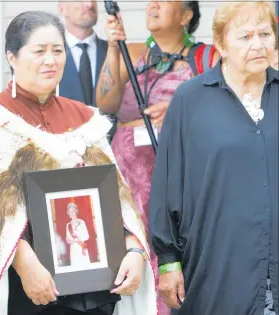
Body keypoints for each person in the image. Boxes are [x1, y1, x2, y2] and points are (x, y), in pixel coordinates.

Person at [0, 10, 156, 315]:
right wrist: (26, 264)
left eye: (58, 51)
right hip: (28, 290)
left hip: (95, 288)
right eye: (39, 51)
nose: (51, 60)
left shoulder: (85, 120)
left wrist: (135, 250)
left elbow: (118, 201)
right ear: (12, 57)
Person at [149, 2, 278, 315]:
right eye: (245, 37)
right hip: (217, 269)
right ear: (220, 44)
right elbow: (168, 184)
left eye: (265, 34)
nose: (258, 44)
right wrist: (168, 262)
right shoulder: (190, 99)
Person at [95, 2, 220, 314]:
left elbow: (225, 112)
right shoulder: (133, 51)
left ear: (186, 14)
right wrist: (113, 48)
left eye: (164, 0)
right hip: (127, 180)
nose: (153, 4)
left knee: (172, 258)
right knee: (128, 252)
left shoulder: (207, 57)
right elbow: (105, 102)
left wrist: (182, 110)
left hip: (176, 180)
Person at [58, 0, 117, 140]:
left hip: (111, 150)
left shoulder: (115, 53)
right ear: (62, 8)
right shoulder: (47, 58)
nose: (89, 4)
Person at [65, 202, 91, 267]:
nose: (71, 214)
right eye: (70, 212)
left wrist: (76, 239)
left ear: (76, 212)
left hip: (81, 249)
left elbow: (86, 236)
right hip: (73, 251)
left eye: (73, 211)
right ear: (68, 213)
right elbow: (68, 239)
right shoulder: (68, 225)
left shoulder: (81, 222)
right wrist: (68, 241)